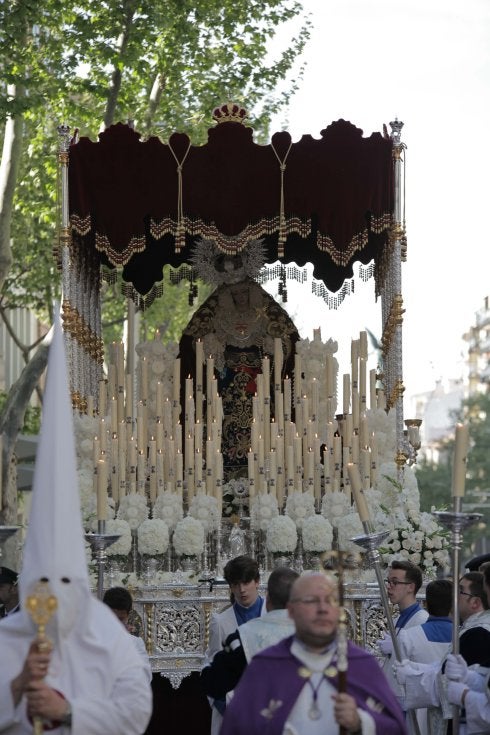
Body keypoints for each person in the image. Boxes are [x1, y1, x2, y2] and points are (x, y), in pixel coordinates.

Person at [0, 310, 152, 734]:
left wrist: (66, 711)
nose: (50, 598)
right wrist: (17, 684)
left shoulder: (111, 638)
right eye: (41, 582)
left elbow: (136, 712)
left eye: (64, 582)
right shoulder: (6, 640)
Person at [220, 571, 408, 735]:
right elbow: (236, 726)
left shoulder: (360, 665)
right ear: (291, 611)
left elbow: (395, 728)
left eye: (330, 601)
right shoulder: (266, 666)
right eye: (311, 601)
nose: (322, 609)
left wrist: (361, 724)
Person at [394, 571, 490, 733]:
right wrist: (416, 670)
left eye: (460, 591)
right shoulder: (472, 628)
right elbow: (449, 670)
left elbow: (452, 685)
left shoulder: (479, 633)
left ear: (475, 602)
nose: (454, 597)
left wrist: (413, 678)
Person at [201, 567, 299, 701]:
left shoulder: (244, 636)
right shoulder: (320, 636)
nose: (242, 589)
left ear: (268, 598)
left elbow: (213, 683)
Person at [203, 555, 266, 735]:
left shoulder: (272, 614)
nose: (242, 590)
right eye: (236, 584)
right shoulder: (221, 622)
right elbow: (212, 664)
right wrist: (222, 704)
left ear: (257, 582)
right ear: (230, 586)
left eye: (246, 583)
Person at [396, 579, 453, 735]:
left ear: (426, 603)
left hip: (418, 707)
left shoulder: (408, 636)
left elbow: (401, 679)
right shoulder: (462, 635)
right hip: (452, 707)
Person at [377, 560, 428, 696]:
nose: (389, 587)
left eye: (395, 582)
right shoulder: (396, 620)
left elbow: (422, 662)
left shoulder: (421, 620)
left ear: (411, 587)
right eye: (388, 581)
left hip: (408, 698)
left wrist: (396, 647)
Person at [103, 586, 152, 678]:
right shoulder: (93, 639)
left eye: (120, 619)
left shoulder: (136, 643)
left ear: (128, 616)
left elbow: (146, 676)